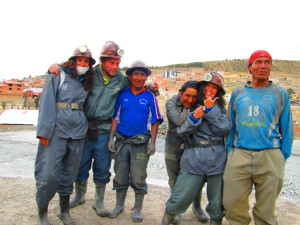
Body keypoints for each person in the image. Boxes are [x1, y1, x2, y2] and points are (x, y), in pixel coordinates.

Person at [48, 41, 159, 217]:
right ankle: (80, 195)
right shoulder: (90, 73)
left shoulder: (121, 80)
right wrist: (56, 65)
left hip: (105, 129)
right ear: (102, 60)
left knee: (102, 166)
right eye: (111, 63)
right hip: (84, 126)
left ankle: (98, 201)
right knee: (80, 164)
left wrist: (152, 89)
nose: (115, 67)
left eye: (117, 63)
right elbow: (73, 69)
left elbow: (136, 87)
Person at [223, 50, 294, 225]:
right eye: (258, 62)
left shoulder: (280, 94)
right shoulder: (239, 93)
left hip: (270, 156)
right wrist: (230, 150)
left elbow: (288, 128)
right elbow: (231, 124)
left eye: (267, 62)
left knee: (266, 210)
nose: (263, 66)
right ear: (250, 67)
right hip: (239, 155)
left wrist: (282, 155)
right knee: (232, 205)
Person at [35, 45, 95, 225]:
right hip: (55, 131)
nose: (83, 63)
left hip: (77, 132)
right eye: (80, 60)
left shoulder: (87, 80)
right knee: (48, 173)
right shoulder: (57, 75)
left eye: (86, 61)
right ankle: (42, 212)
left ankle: (64, 211)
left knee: (70, 173)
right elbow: (46, 102)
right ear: (73, 60)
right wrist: (44, 131)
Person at [161, 72, 231, 225]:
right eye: (207, 86)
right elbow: (181, 130)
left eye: (214, 87)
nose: (210, 89)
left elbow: (225, 128)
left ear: (218, 91)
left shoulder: (222, 109)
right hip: (193, 158)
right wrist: (194, 117)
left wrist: (210, 110)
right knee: (179, 196)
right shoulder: (193, 106)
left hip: (217, 160)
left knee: (217, 202)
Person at [107, 60, 163, 223]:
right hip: (122, 142)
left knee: (139, 176)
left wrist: (152, 143)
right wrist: (111, 137)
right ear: (130, 77)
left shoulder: (150, 96)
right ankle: (119, 206)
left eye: (142, 75)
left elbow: (154, 120)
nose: (139, 77)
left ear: (146, 78)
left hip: (140, 143)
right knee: (120, 175)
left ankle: (138, 208)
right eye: (136, 74)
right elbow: (115, 117)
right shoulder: (122, 94)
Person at [164, 80, 209, 224]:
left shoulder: (198, 103)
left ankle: (196, 206)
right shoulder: (171, 103)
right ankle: (175, 210)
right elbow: (177, 121)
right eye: (187, 96)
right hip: (173, 147)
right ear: (180, 93)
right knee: (174, 180)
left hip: (192, 147)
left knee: (197, 179)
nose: (190, 100)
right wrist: (192, 112)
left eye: (194, 97)